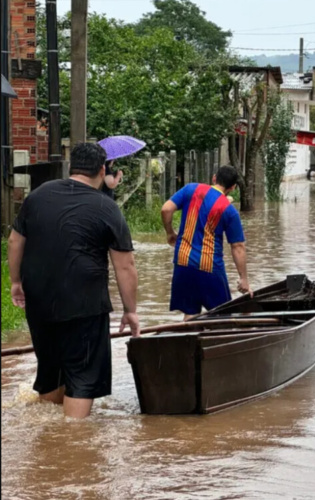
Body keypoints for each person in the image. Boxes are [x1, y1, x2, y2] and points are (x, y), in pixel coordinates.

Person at [7, 142, 139, 419]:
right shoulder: (106, 207)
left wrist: (16, 282)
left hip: (39, 300)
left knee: (51, 371)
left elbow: (15, 240)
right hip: (85, 304)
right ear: (102, 170)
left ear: (71, 167)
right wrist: (131, 311)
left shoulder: (39, 195)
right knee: (82, 377)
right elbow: (125, 266)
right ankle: (72, 447)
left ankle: (49, 438)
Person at [161, 166, 251, 321]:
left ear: (214, 178)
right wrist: (244, 279)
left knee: (190, 314)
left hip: (183, 262)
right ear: (233, 187)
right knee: (222, 315)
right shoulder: (229, 211)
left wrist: (170, 233)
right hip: (209, 266)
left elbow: (166, 209)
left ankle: (188, 342)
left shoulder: (191, 189)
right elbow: (238, 247)